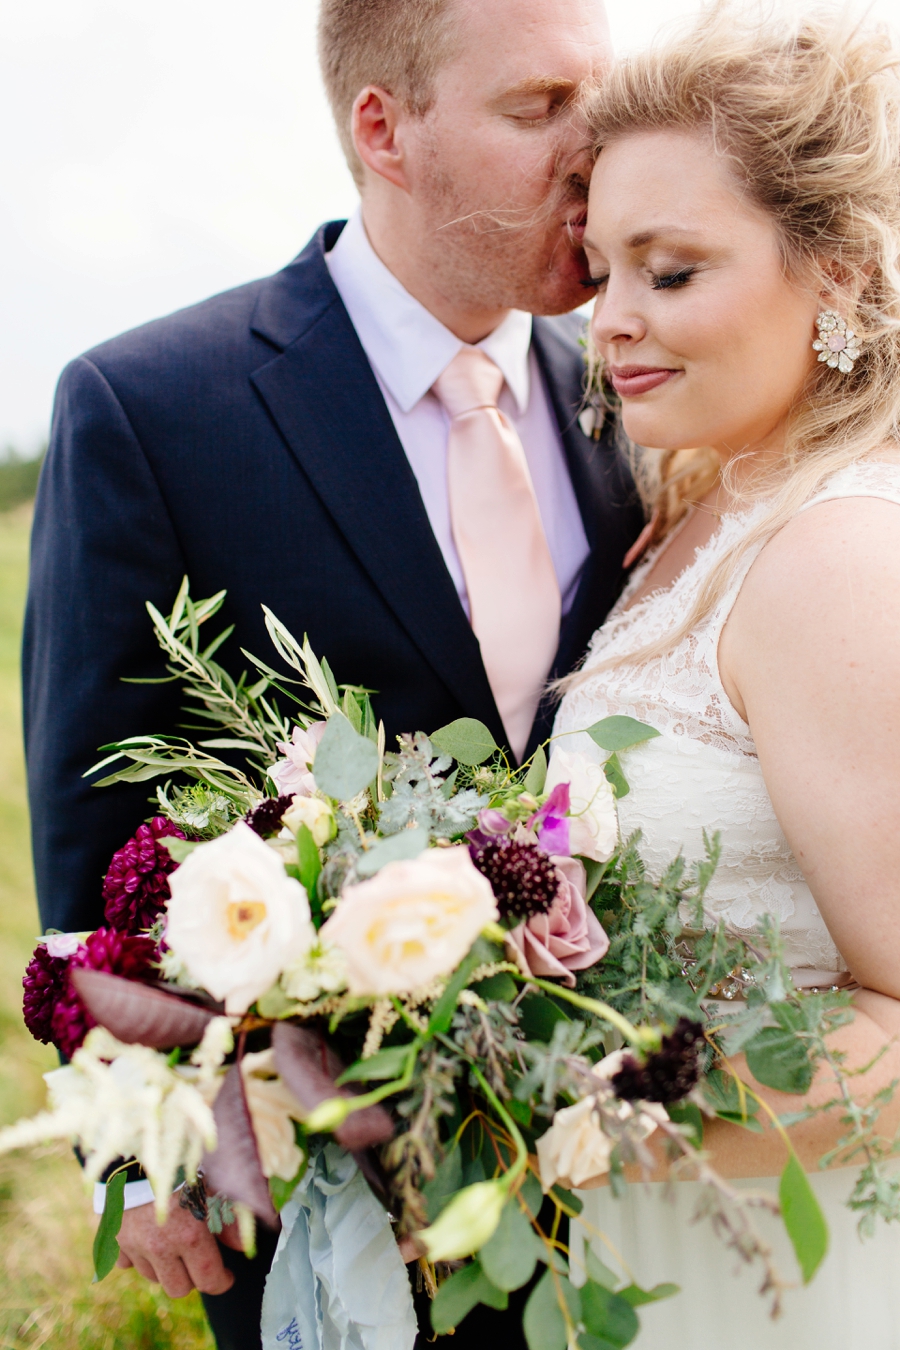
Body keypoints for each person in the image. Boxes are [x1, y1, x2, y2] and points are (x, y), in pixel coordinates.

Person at [22, 0, 642, 1346]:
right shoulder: (152, 409)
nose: (596, 148)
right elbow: (93, 835)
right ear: (386, 129)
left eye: (603, 98)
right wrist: (141, 1148)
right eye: (540, 109)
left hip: (638, 1179)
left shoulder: (643, 390)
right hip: (332, 1197)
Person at [551, 8, 900, 1347]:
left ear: (844, 276)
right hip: (665, 1264)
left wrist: (581, 1107)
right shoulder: (692, 519)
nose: (613, 321)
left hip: (801, 1284)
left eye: (672, 272)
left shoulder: (836, 556)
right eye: (600, 271)